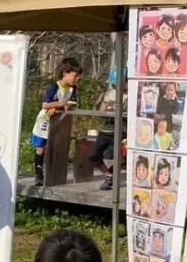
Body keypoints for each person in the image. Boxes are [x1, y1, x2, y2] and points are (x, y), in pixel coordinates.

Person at [30, 57, 82, 186]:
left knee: (55, 146)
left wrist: (66, 105)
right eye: (74, 76)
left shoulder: (72, 88)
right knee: (41, 147)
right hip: (45, 120)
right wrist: (59, 104)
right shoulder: (54, 86)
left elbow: (72, 103)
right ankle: (38, 173)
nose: (76, 80)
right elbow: (45, 104)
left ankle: (53, 174)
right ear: (65, 73)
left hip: (59, 120)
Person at [90, 68, 127, 192]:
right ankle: (109, 175)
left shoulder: (130, 96)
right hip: (106, 129)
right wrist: (105, 108)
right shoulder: (110, 92)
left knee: (112, 154)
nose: (116, 86)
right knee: (94, 156)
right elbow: (101, 110)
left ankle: (110, 178)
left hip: (120, 130)